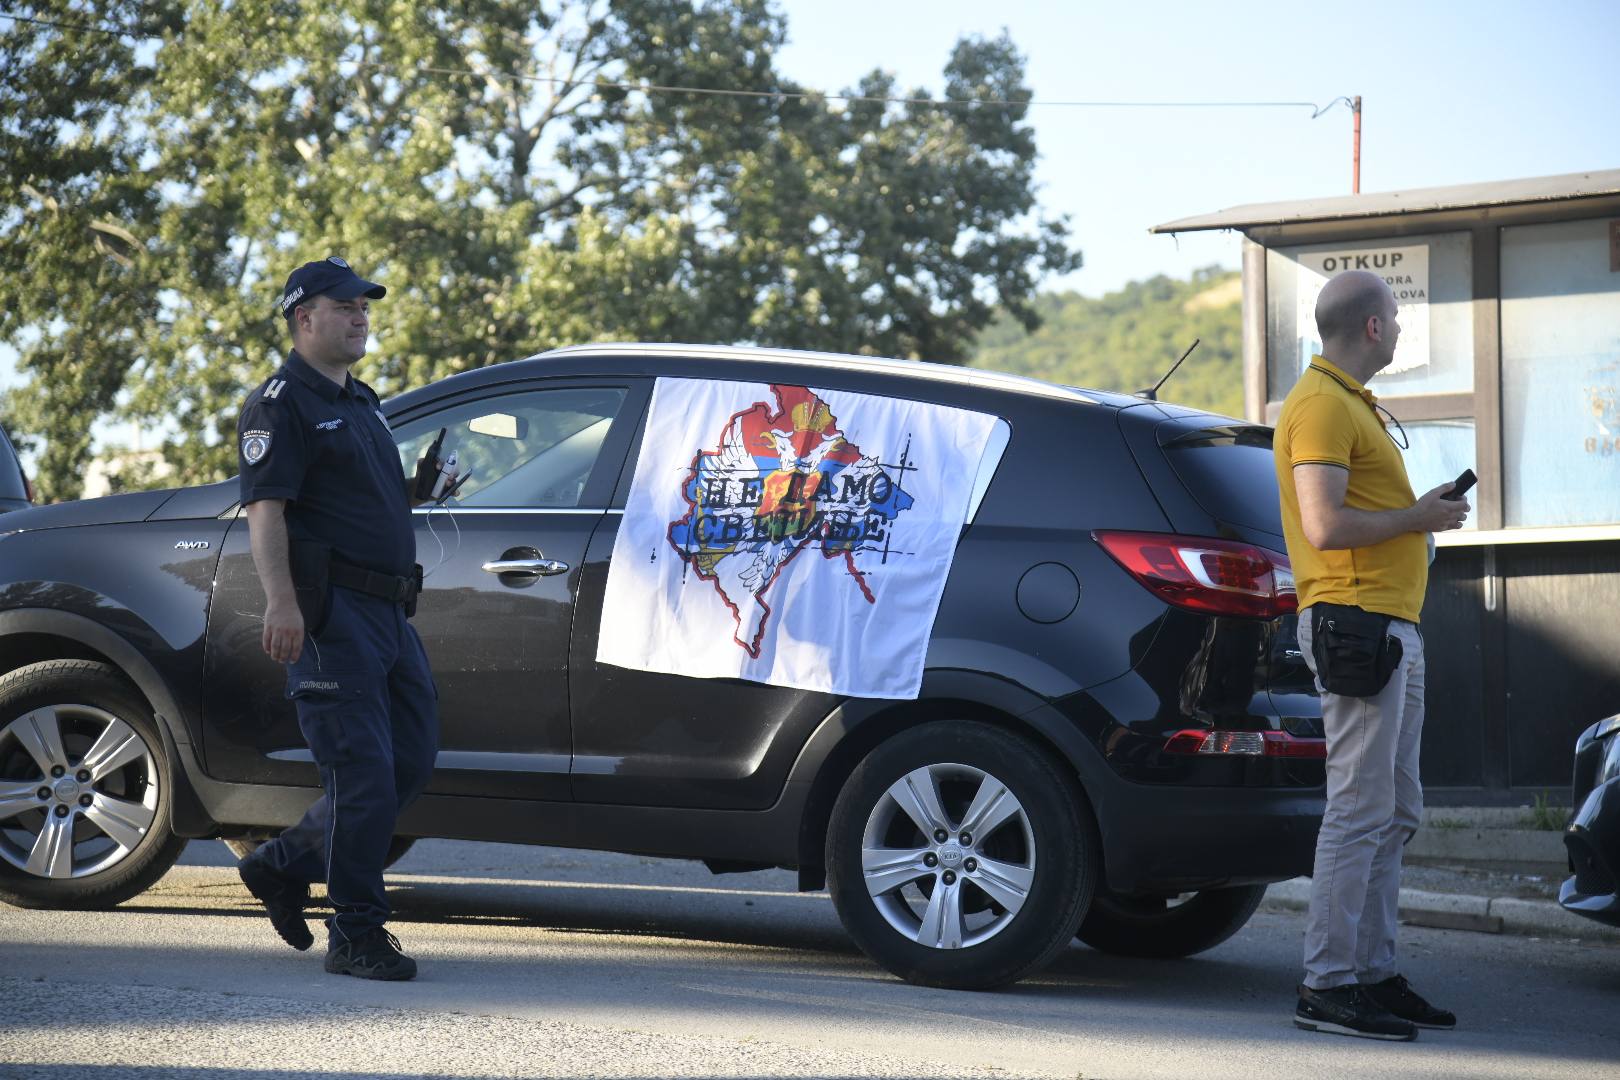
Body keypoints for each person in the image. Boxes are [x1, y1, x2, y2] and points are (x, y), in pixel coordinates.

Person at [235, 256, 447, 981]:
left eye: (365, 307)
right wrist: (282, 602)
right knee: (362, 776)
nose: (361, 318)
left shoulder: (359, 401)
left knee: (407, 764)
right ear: (305, 319)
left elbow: (357, 502)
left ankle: (282, 862)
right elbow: (268, 514)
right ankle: (356, 933)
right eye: (346, 306)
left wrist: (415, 492)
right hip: (332, 617)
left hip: (390, 613)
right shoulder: (280, 404)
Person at [1275, 270, 1469, 1040]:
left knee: (1394, 811)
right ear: (1375, 328)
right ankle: (1326, 986)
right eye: (1396, 315)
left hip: (1390, 625)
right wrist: (1417, 516)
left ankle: (1373, 975)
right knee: (1358, 810)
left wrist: (1416, 520)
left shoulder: (1349, 404)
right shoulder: (1321, 404)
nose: (1399, 326)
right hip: (1357, 626)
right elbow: (1323, 526)